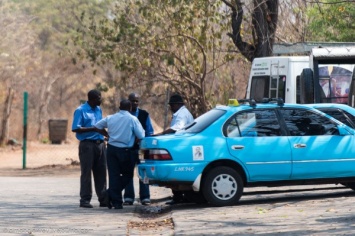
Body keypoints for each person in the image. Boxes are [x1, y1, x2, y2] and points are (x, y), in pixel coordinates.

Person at [95, 99, 145, 209]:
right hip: (126, 151)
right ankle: (109, 195)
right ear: (130, 108)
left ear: (119, 107)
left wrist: (107, 134)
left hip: (112, 149)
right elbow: (141, 135)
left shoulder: (111, 118)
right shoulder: (133, 119)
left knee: (114, 176)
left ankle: (116, 201)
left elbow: (97, 126)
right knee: (127, 175)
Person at [155, 93, 194, 205]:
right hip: (182, 144)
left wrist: (160, 134)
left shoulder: (181, 114)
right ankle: (181, 196)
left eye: (172, 105)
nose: (171, 107)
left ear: (178, 104)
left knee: (175, 172)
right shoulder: (180, 113)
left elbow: (175, 129)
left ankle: (178, 197)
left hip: (181, 145)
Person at [71, 89, 108, 208]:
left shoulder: (98, 110)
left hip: (100, 144)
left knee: (101, 172)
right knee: (86, 172)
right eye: (98, 98)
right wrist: (93, 129)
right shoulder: (81, 110)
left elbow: (99, 127)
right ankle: (85, 199)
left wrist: (107, 135)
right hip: (87, 145)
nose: (100, 100)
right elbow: (75, 128)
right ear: (91, 99)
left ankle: (103, 198)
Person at [123, 93, 154, 206]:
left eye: (136, 101)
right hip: (129, 149)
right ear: (128, 101)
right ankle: (128, 197)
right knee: (127, 173)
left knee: (144, 173)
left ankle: (145, 197)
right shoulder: (125, 115)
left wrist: (144, 143)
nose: (134, 103)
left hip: (141, 149)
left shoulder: (144, 114)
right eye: (132, 101)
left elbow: (149, 131)